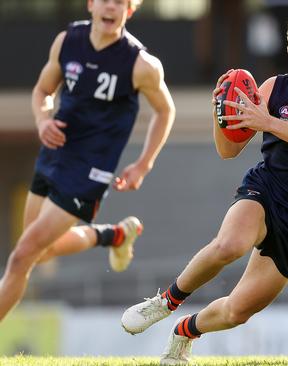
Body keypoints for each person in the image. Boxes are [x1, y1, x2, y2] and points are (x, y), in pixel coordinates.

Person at [121, 1, 288, 364]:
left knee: (238, 311)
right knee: (230, 245)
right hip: (266, 189)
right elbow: (228, 151)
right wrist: (219, 115)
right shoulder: (274, 88)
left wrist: (268, 123)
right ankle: (165, 302)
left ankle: (184, 331)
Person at [0, 0, 175, 323]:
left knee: (21, 256)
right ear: (91, 4)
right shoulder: (68, 41)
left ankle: (112, 236)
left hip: (88, 172)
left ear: (130, 10)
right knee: (40, 253)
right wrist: (42, 121)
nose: (111, 7)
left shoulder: (141, 64)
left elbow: (166, 111)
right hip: (53, 154)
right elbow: (42, 91)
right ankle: (113, 236)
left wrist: (143, 164)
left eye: (120, 2)